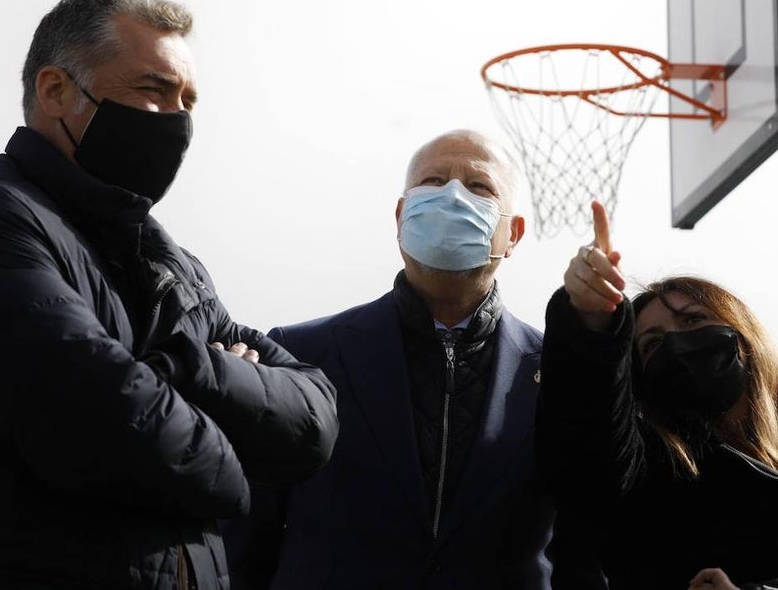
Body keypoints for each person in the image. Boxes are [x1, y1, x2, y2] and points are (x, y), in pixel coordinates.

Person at [0, 0, 339, 589]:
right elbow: (104, 427)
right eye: (153, 90)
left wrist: (185, 372)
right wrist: (236, 460)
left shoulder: (174, 264)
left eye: (188, 102)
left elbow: (313, 421)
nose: (177, 121)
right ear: (56, 91)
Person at [224, 129, 553, 589]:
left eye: (479, 187)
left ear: (513, 232)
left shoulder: (556, 372)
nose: (452, 197)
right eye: (433, 181)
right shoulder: (301, 355)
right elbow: (246, 535)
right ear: (401, 216)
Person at [535, 203, 778, 590]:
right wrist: (591, 324)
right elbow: (586, 453)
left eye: (694, 321)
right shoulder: (650, 474)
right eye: (651, 344)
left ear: (743, 338)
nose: (676, 344)